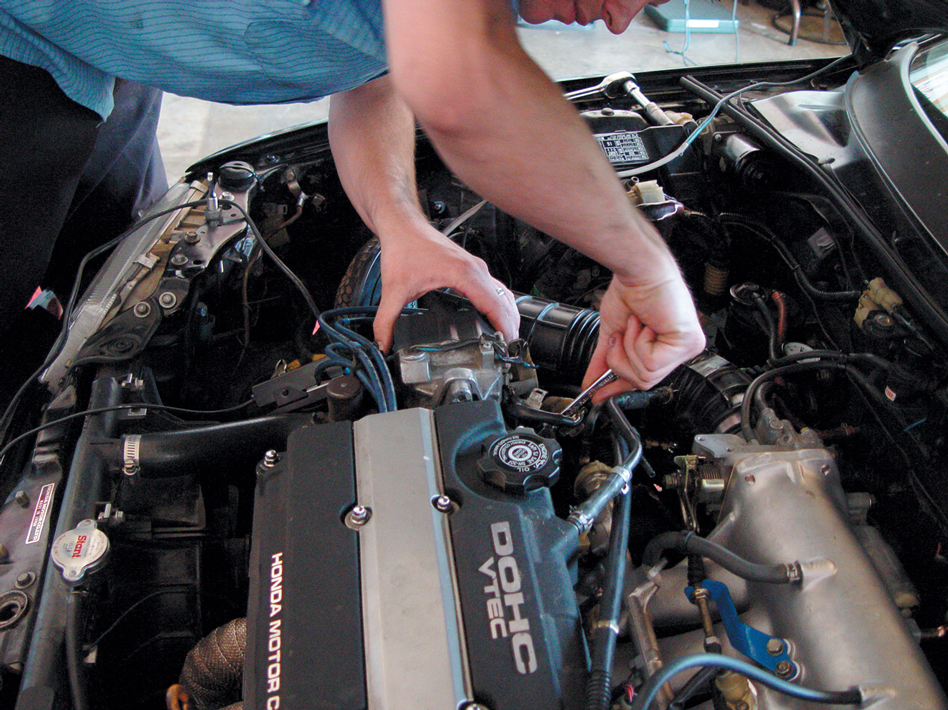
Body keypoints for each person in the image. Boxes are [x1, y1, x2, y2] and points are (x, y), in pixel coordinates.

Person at [0, 0, 704, 397]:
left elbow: (374, 76)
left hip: (107, 48)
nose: (622, 21)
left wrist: (402, 225)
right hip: (21, 38)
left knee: (108, 283)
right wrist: (647, 269)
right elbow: (463, 94)